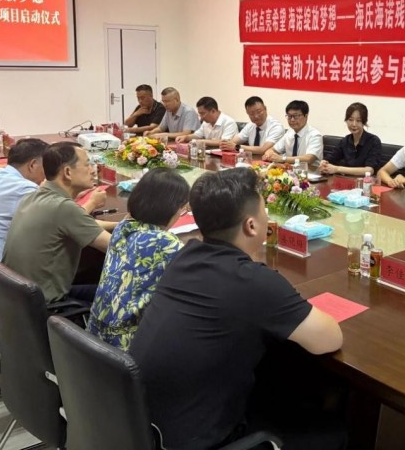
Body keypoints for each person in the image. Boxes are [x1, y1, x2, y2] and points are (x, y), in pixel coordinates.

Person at [130, 168, 344, 450]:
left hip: (142, 425)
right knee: (334, 435)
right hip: (193, 441)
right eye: (265, 210)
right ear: (251, 226)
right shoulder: (253, 281)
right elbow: (329, 339)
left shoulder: (185, 256)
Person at [87, 168, 189, 350]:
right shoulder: (166, 243)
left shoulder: (124, 227)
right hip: (126, 347)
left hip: (92, 338)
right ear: (173, 209)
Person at [3, 142, 116, 303]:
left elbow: (82, 224)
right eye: (87, 165)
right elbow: (117, 248)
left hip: (18, 301)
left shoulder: (33, 196)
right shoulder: (63, 208)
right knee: (123, 294)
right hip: (47, 304)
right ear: (68, 172)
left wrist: (120, 224)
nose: (93, 170)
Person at [318, 102, 383, 176]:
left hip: (366, 182)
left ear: (364, 122)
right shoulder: (345, 141)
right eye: (350, 120)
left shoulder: (374, 141)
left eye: (358, 120)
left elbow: (369, 170)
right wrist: (324, 162)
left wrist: (337, 169)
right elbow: (331, 157)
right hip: (347, 181)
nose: (354, 124)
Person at [263, 100, 323, 166]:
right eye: (289, 116)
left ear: (306, 116)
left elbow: (309, 159)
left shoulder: (315, 135)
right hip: (290, 170)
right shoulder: (290, 132)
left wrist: (282, 159)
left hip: (310, 171)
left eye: (296, 116)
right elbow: (273, 149)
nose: (292, 120)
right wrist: (269, 154)